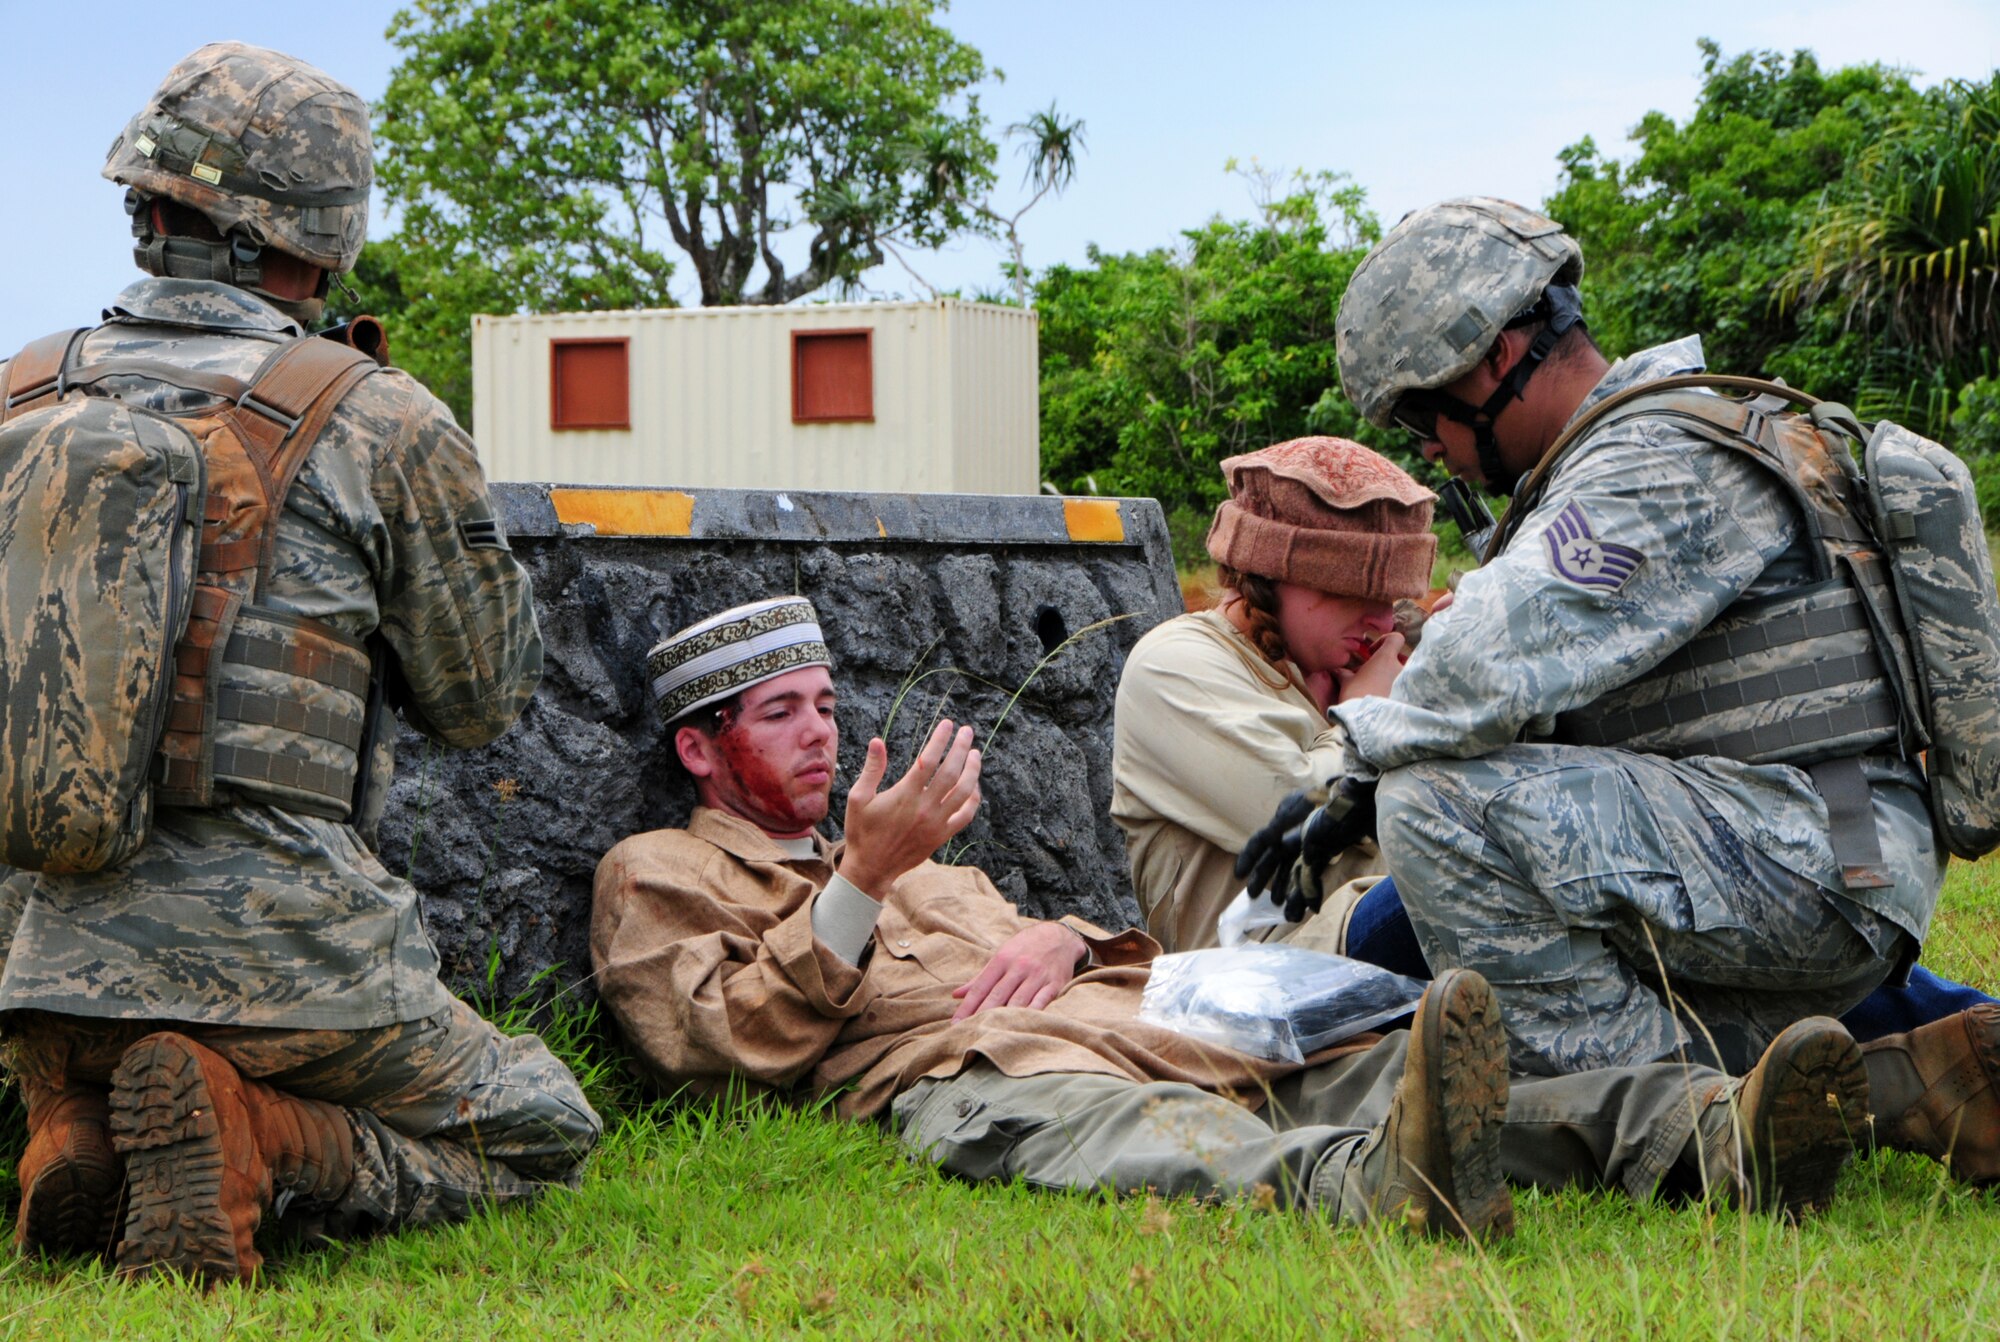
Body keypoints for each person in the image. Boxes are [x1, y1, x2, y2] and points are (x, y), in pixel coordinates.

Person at [592, 596, 1874, 1240]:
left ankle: (1711, 1132)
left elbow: (1046, 939)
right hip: (963, 1069)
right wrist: (860, 880)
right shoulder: (656, 872)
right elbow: (711, 1044)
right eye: (782, 713)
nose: (822, 730)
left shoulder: (910, 852)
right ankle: (1379, 1192)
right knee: (1150, 1129)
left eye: (825, 701)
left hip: (1122, 1006)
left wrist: (1065, 938)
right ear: (701, 752)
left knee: (1381, 1060)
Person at [1238, 196, 2000, 1181]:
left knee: (1432, 807)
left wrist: (1347, 778)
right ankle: (1893, 1082)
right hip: (1803, 848)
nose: (1427, 444)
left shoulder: (1649, 465)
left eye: (1423, 411)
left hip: (1810, 855)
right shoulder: (1662, 443)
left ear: (1493, 359)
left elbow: (1480, 659)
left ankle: (1680, 1129)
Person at [0, 43, 599, 1283]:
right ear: (317, 237)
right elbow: (482, 695)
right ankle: (261, 1133)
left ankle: (67, 1119)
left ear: (144, 206)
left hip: (27, 956)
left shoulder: (15, 397)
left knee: (76, 1029)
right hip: (284, 963)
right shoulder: (372, 413)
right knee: (546, 1130)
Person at [1110, 436, 1427, 972]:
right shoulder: (1173, 664)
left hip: (1357, 950)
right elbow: (1299, 816)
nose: (1383, 621)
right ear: (1276, 573)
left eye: (1392, 600)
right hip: (1255, 986)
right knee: (1462, 880)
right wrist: (1363, 715)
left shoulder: (1331, 665)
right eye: (1358, 593)